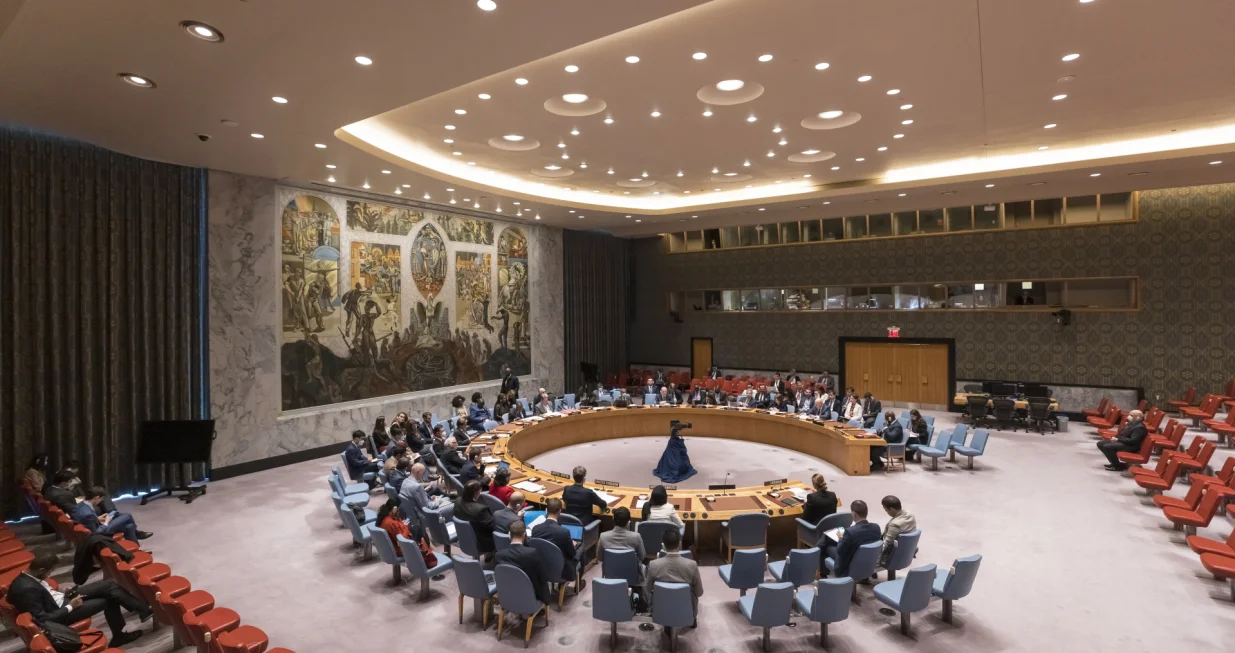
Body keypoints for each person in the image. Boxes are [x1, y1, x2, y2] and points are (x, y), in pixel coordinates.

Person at [9, 551, 151, 647]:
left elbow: (43, 594)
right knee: (110, 599)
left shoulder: (28, 575)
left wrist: (57, 591)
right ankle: (124, 631)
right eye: (50, 572)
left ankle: (142, 610)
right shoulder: (26, 590)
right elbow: (43, 619)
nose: (49, 575)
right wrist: (71, 606)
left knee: (109, 584)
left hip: (61, 599)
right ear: (41, 570)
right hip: (62, 612)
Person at [644, 528, 701, 626]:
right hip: (687, 610)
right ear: (679, 544)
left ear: (663, 545)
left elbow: (647, 590)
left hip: (660, 610)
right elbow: (699, 592)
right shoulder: (692, 565)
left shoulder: (653, 565)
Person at [495, 521, 552, 606]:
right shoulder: (532, 553)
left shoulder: (499, 555)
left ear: (509, 535)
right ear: (524, 535)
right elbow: (543, 577)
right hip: (530, 595)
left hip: (509, 594)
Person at [823, 500, 881, 578]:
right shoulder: (876, 527)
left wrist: (840, 538)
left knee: (827, 546)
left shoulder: (850, 531)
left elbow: (840, 550)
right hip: (868, 562)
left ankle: (822, 573)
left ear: (854, 514)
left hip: (848, 566)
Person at [71, 487, 151, 542]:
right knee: (127, 516)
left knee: (129, 526)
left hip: (95, 527)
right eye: (101, 499)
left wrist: (97, 518)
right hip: (99, 535)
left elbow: (87, 521)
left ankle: (136, 551)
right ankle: (138, 534)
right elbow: (96, 533)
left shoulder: (81, 505)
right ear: (97, 498)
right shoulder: (88, 514)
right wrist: (106, 522)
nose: (101, 501)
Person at [531, 498, 580, 587]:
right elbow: (572, 553)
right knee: (581, 548)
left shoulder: (535, 529)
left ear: (547, 510)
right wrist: (573, 545)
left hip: (541, 568)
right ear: (559, 511)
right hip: (561, 571)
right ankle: (578, 584)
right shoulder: (564, 532)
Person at [455, 480, 496, 557]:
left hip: (463, 537)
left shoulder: (457, 501)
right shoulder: (481, 509)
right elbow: (493, 527)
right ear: (477, 493)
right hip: (481, 542)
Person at [880, 495, 918, 565]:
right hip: (907, 550)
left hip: (893, 555)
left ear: (891, 509)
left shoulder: (895, 524)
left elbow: (887, 545)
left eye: (886, 510)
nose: (886, 512)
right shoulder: (910, 514)